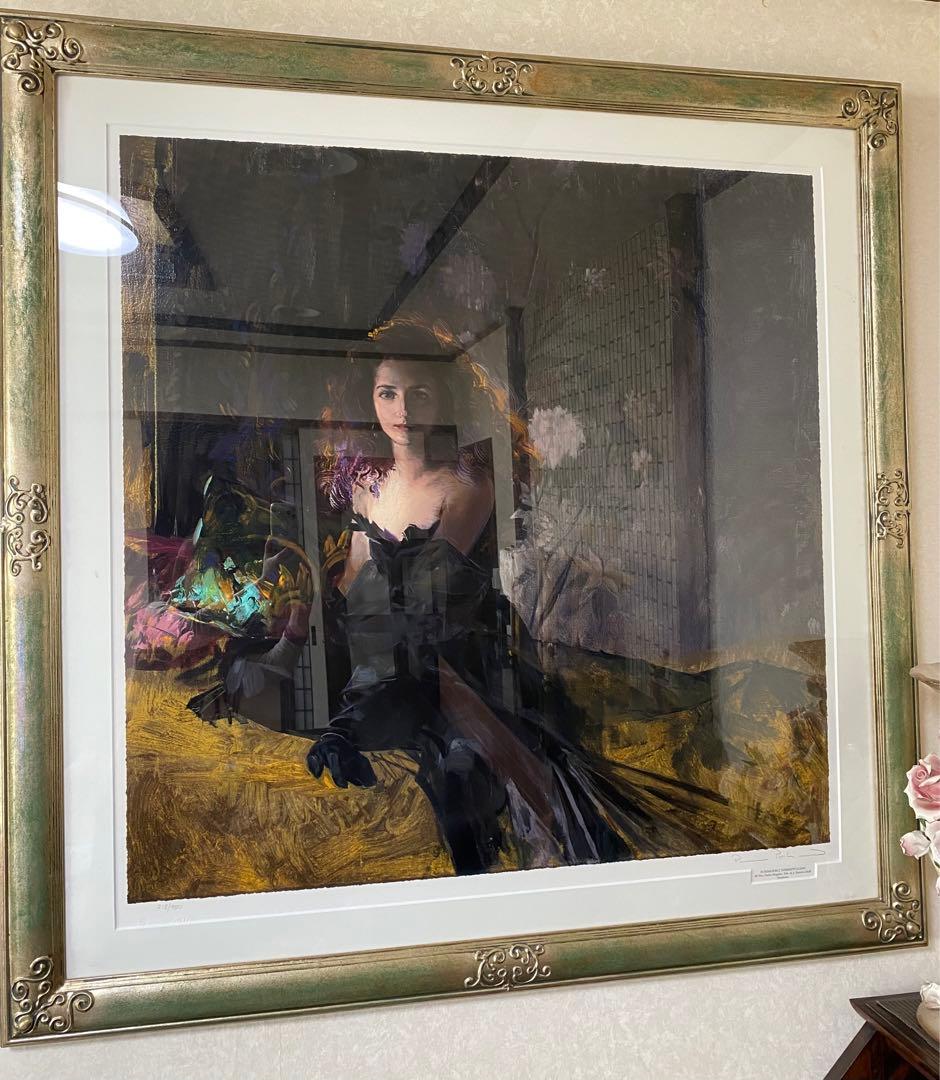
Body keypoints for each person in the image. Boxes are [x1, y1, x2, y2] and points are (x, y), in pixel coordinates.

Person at [306, 349, 732, 875]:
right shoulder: (366, 489)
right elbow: (357, 589)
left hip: (459, 663)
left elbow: (425, 604)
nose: (404, 410)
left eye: (420, 393)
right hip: (392, 663)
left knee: (476, 769)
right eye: (388, 393)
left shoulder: (466, 484)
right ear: (371, 400)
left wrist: (367, 678)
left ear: (442, 400)